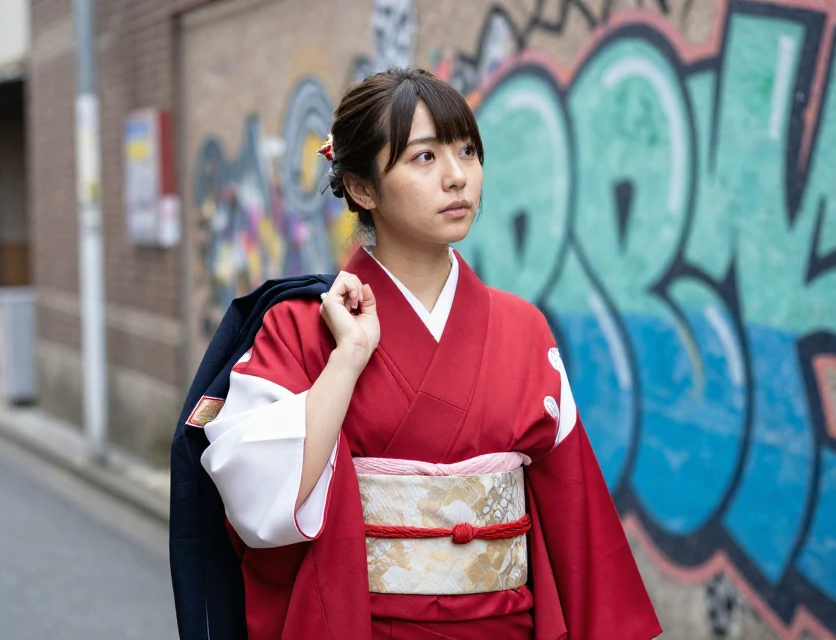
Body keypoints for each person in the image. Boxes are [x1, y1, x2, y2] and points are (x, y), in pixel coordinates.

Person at [197, 67, 662, 639]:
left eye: (467, 151)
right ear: (364, 188)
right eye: (424, 157)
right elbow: (257, 502)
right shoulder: (295, 330)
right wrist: (349, 357)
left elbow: (580, 520)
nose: (457, 177)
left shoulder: (524, 329)